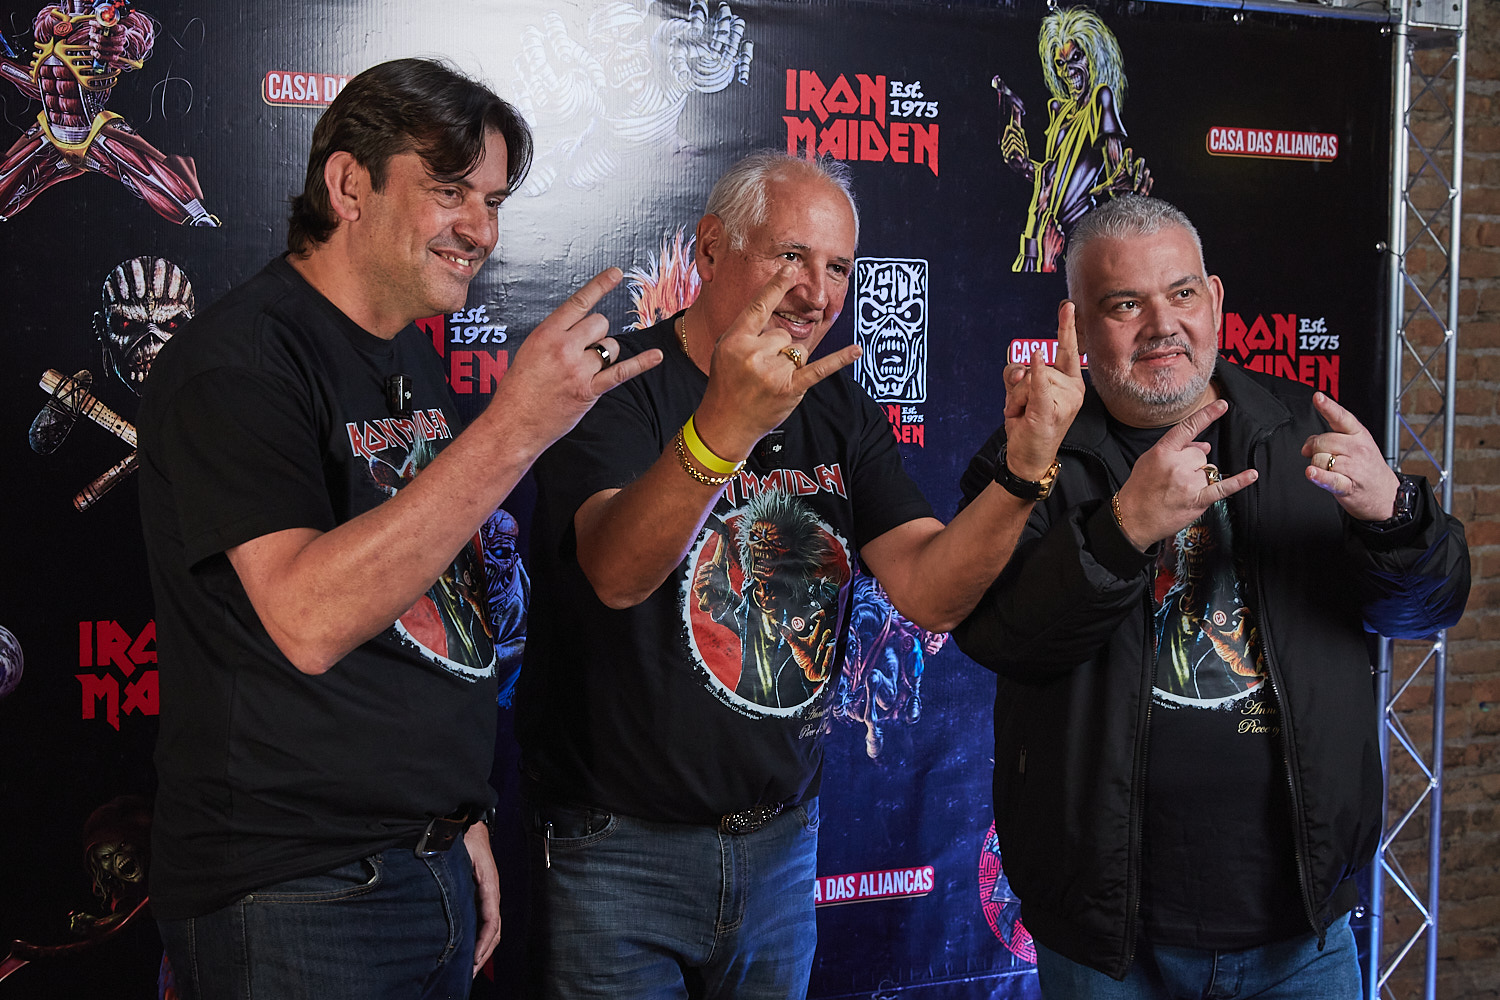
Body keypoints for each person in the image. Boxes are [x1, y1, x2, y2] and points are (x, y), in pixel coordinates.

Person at [136, 58, 658, 1000]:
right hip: (294, 891)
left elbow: (430, 609)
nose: (482, 230)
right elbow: (308, 617)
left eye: (491, 201)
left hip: (419, 865)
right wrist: (516, 428)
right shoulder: (241, 363)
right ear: (349, 186)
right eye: (449, 190)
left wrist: (451, 822)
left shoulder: (403, 353)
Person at [515, 150, 1084, 998]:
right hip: (617, 853)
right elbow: (616, 571)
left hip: (780, 851)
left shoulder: (838, 407)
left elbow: (930, 590)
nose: (817, 293)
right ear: (712, 249)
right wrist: (724, 428)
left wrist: (1024, 472)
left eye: (838, 268)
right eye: (791, 257)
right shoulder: (619, 382)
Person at [952, 194, 1471, 997]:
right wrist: (1122, 531)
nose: (1163, 325)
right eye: (1126, 304)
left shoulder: (1301, 430)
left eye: (1182, 293)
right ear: (1078, 326)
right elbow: (998, 636)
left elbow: (1424, 610)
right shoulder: (1031, 456)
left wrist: (1396, 515)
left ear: (1216, 300)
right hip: (1106, 946)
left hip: (1300, 934)